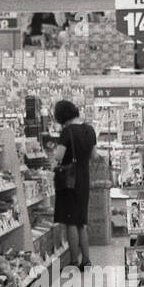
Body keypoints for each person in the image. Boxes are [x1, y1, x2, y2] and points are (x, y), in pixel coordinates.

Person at [51, 98, 96, 270]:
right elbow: (94, 156)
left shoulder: (67, 132)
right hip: (84, 179)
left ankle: (73, 261)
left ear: (61, 116)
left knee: (70, 222)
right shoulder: (90, 129)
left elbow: (58, 157)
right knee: (81, 222)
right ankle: (86, 260)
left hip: (69, 180)